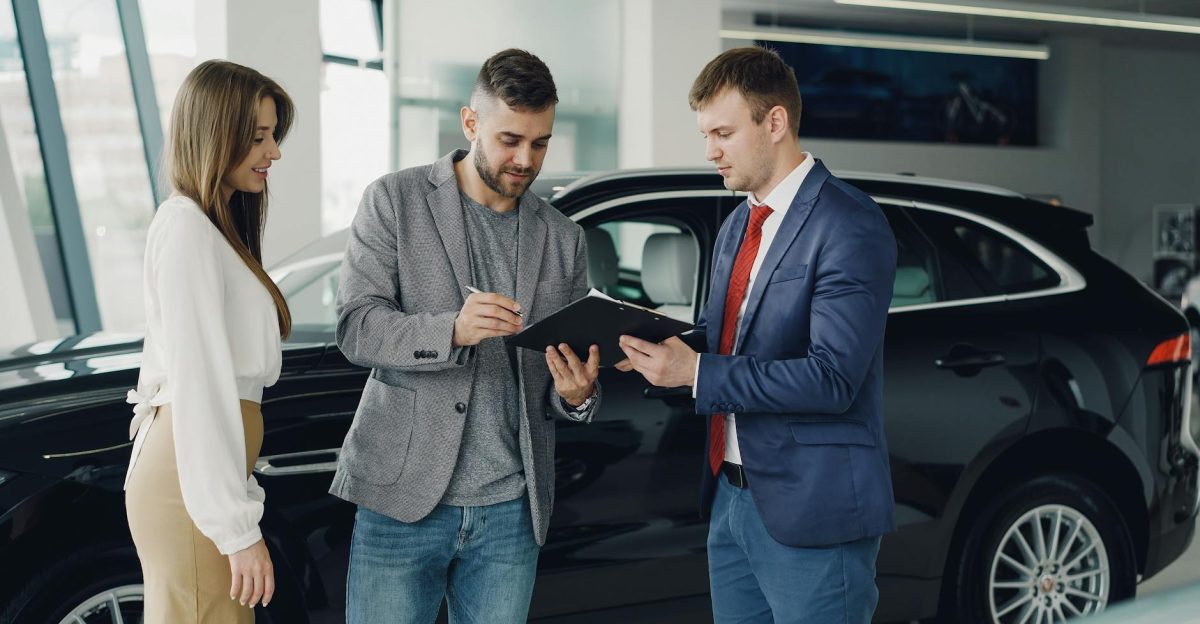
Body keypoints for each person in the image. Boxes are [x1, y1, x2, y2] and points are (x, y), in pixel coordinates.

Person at [616, 46, 898, 624]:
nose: (710, 151)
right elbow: (731, 343)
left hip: (812, 514)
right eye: (705, 135)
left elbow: (832, 378)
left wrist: (695, 373)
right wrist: (653, 348)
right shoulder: (739, 223)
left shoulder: (849, 222)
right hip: (732, 499)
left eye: (722, 132)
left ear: (775, 122)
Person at [330, 48, 602, 624]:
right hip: (403, 500)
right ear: (470, 122)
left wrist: (576, 396)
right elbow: (356, 328)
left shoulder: (563, 239)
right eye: (510, 140)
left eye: (540, 142)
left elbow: (560, 370)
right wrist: (451, 330)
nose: (525, 159)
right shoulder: (394, 201)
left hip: (511, 509)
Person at [124, 59, 294, 622]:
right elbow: (200, 387)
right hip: (190, 481)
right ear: (215, 133)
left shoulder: (210, 230)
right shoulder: (187, 229)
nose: (273, 152)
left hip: (199, 474)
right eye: (259, 137)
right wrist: (237, 529)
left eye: (273, 136)